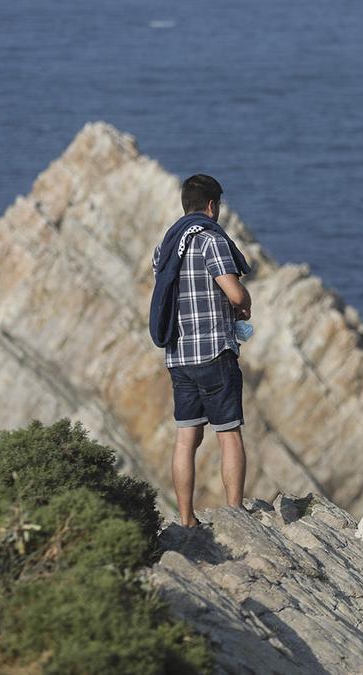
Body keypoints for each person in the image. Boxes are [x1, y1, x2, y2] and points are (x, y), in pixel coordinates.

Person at [149, 174, 253, 528]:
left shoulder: (165, 247)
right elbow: (234, 293)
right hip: (213, 352)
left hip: (178, 357)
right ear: (212, 205)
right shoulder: (210, 241)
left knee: (186, 437)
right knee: (229, 435)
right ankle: (236, 515)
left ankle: (185, 518)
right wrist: (244, 300)